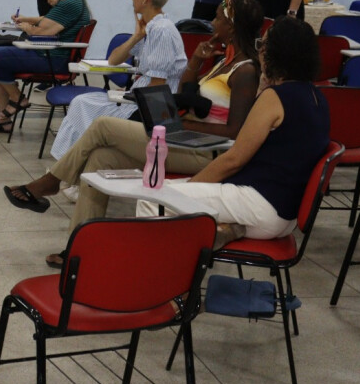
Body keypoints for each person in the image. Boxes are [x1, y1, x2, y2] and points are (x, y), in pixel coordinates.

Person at [7, 0, 264, 267]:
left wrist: (184, 126)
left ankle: (52, 182)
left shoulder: (245, 70)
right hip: (185, 141)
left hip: (205, 154)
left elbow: (235, 131)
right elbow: (186, 92)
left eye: (218, 19)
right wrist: (197, 61)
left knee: (103, 125)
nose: (212, 22)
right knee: (100, 159)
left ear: (232, 27)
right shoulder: (223, 62)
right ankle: (79, 251)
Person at [136, 15, 329, 245]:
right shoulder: (317, 97)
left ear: (275, 52)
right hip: (285, 213)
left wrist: (190, 188)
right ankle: (222, 229)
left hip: (260, 204)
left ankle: (167, 263)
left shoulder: (276, 98)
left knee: (152, 199)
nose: (259, 50)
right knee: (163, 188)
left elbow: (234, 160)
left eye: (263, 44)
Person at [38, 0, 186, 163]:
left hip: (149, 108)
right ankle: (71, 163)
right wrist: (135, 37)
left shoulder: (162, 31)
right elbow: (114, 60)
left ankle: (71, 163)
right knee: (81, 103)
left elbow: (157, 87)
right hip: (137, 98)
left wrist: (130, 97)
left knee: (82, 105)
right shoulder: (149, 28)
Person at [0, 0, 91, 134]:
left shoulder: (70, 5)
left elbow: (42, 32)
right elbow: (47, 20)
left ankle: (17, 99)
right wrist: (26, 20)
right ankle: (5, 118)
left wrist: (28, 28)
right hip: (51, 55)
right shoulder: (72, 1)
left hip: (54, 60)